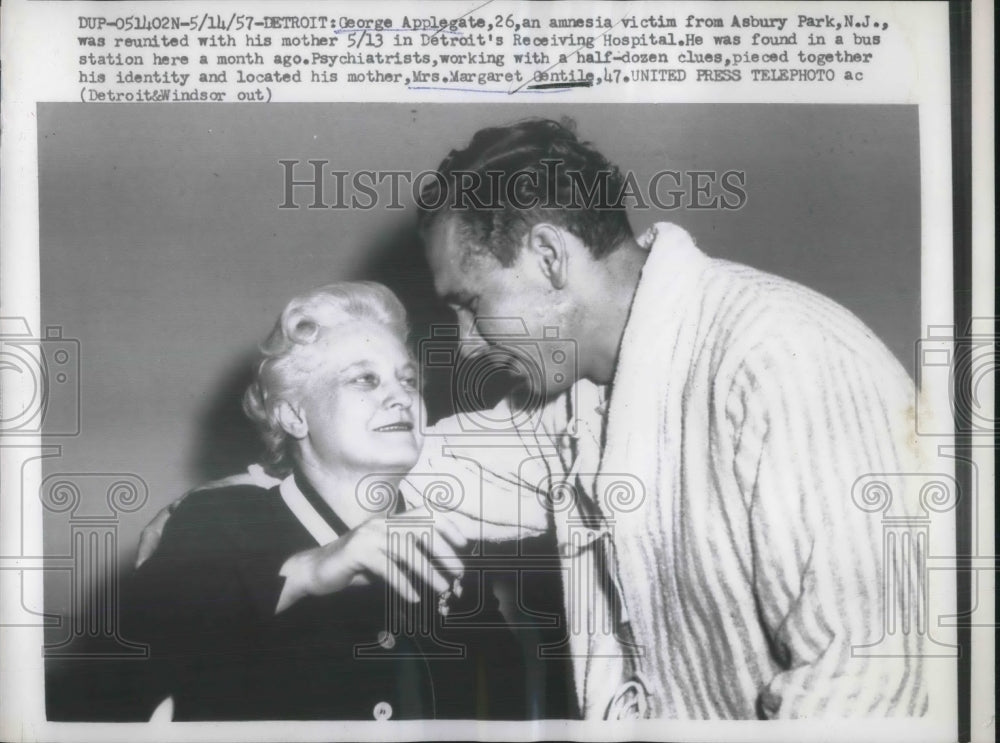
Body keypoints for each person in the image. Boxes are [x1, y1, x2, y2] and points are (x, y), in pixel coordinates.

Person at [140, 118, 929, 720]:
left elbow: (866, 684)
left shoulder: (778, 359)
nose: (466, 343)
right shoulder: (582, 400)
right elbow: (404, 463)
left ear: (550, 259)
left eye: (470, 303)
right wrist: (223, 512)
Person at [126, 281, 525, 721]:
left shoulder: (449, 541)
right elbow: (132, 664)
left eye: (408, 379)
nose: (401, 396)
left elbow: (513, 703)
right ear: (294, 415)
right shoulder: (221, 520)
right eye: (365, 379)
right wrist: (306, 571)